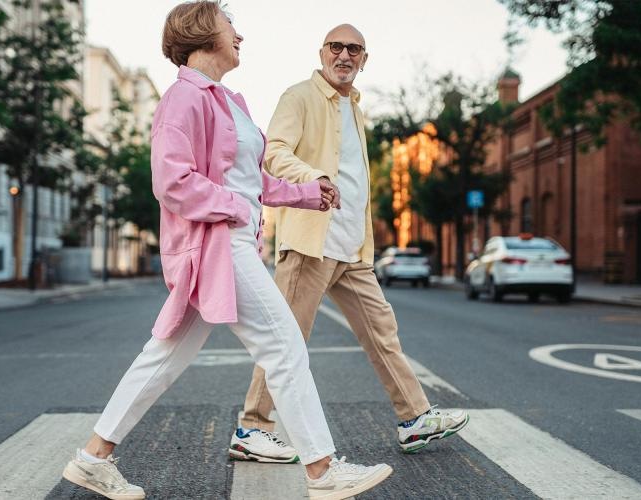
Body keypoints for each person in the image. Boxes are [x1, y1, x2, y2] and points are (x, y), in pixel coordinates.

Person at [60, 3, 392, 499]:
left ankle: (92, 458)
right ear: (202, 33)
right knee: (284, 348)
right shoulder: (182, 97)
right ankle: (322, 471)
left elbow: (250, 179)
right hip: (216, 244)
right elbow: (171, 181)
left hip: (229, 240)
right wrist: (235, 207)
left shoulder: (227, 100)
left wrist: (306, 192)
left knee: (163, 357)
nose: (240, 35)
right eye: (230, 25)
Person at [232, 23, 469, 462]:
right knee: (287, 339)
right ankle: (252, 428)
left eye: (354, 49)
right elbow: (274, 152)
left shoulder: (355, 108)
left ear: (364, 58)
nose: (344, 55)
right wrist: (312, 177)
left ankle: (414, 418)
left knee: (383, 332)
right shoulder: (299, 96)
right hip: (310, 243)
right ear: (322, 52)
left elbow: (356, 178)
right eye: (336, 47)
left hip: (352, 248)